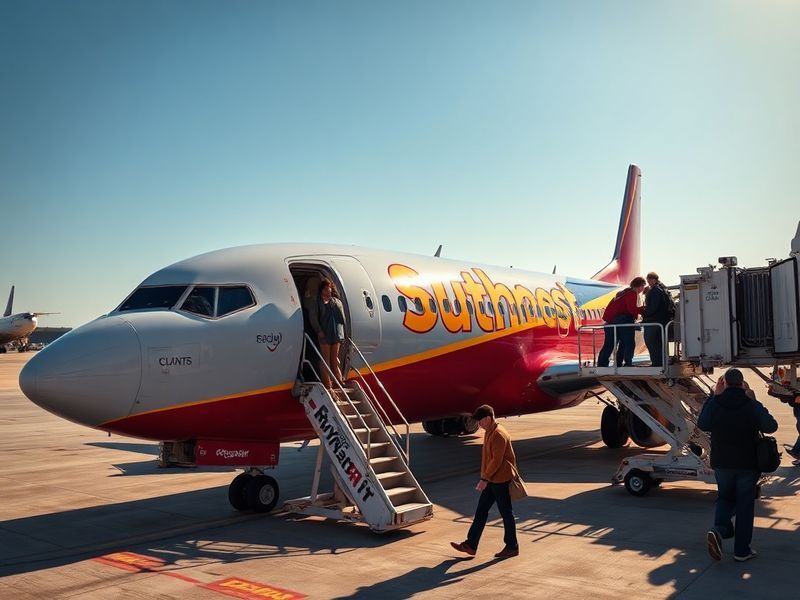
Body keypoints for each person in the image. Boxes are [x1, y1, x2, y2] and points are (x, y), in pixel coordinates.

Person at [698, 368, 778, 562]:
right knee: (744, 506)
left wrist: (712, 396)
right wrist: (754, 400)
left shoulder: (716, 403)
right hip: (747, 465)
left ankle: (719, 530)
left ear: (723, 384)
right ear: (742, 384)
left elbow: (703, 424)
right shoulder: (750, 405)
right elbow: (771, 426)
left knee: (725, 498)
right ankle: (742, 551)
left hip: (722, 464)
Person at [450, 404, 519, 559]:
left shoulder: (498, 435)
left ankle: (512, 546)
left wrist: (484, 479)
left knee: (506, 513)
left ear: (488, 419)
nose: (479, 425)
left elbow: (496, 461)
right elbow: (488, 459)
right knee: (481, 512)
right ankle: (471, 545)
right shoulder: (489, 432)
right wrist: (486, 477)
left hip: (499, 480)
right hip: (492, 479)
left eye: (480, 421)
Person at [596, 276, 646, 367]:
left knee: (609, 344)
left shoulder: (621, 293)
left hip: (610, 322)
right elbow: (631, 309)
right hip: (623, 320)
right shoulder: (632, 293)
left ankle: (602, 363)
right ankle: (626, 363)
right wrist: (644, 309)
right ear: (640, 286)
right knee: (628, 343)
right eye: (643, 287)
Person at [318, 278, 346, 388]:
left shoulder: (332, 302)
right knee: (329, 359)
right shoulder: (322, 302)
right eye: (325, 289)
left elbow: (342, 319)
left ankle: (335, 381)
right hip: (329, 334)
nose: (328, 291)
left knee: (331, 359)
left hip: (332, 334)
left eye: (328, 289)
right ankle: (331, 382)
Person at [642, 272, 674, 367]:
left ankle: (657, 363)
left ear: (653, 279)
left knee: (651, 342)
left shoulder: (655, 291)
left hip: (654, 321)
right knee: (660, 343)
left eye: (649, 280)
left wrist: (645, 314)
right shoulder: (663, 289)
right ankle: (662, 362)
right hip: (663, 321)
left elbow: (653, 307)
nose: (648, 282)